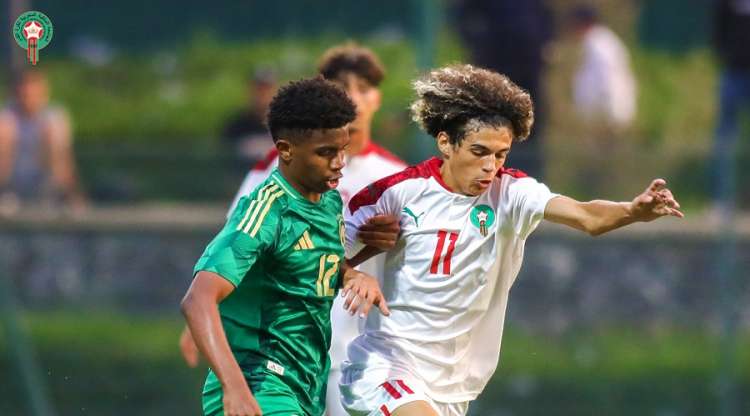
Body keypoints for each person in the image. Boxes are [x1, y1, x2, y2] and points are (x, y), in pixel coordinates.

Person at [339, 64, 683, 416]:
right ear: (445, 143)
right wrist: (352, 274)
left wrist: (632, 211)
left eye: (500, 154)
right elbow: (320, 256)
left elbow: (587, 217)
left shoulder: (512, 193)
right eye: (479, 152)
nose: (490, 166)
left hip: (453, 385)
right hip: (386, 365)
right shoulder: (397, 193)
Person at [180, 43, 406, 416]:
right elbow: (198, 299)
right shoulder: (267, 208)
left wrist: (353, 274)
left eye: (342, 150)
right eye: (326, 153)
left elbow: (311, 261)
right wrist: (234, 388)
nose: (340, 163)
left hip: (306, 383)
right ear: (285, 150)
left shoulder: (329, 201)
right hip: (260, 382)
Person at [0, 69, 86, 214]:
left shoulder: (54, 117)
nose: (29, 98)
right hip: (12, 182)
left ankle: (61, 196)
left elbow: (64, 158)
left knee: (51, 139)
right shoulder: (6, 117)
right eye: (24, 94)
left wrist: (73, 192)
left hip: (45, 182)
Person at [570, 4, 636, 130]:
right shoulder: (601, 41)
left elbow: (607, 79)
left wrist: (607, 112)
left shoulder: (598, 44)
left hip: (605, 115)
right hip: (606, 113)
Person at [712, 0, 750, 211]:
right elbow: (718, 28)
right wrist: (726, 54)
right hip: (733, 72)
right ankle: (722, 201)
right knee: (725, 140)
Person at [220, 68, 278, 171]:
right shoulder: (235, 126)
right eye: (258, 88)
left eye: (266, 89)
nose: (262, 94)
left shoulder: (285, 125)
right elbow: (224, 160)